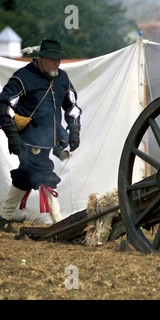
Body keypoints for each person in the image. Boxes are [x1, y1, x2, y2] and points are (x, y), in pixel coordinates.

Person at [0, 39, 81, 233]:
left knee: (25, 178)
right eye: (53, 60)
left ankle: (3, 218)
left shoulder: (62, 78)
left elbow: (72, 106)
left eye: (59, 60)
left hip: (51, 140)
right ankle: (59, 224)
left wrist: (74, 129)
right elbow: (4, 105)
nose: (57, 64)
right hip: (27, 140)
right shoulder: (23, 77)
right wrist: (12, 134)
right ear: (41, 58)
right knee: (44, 174)